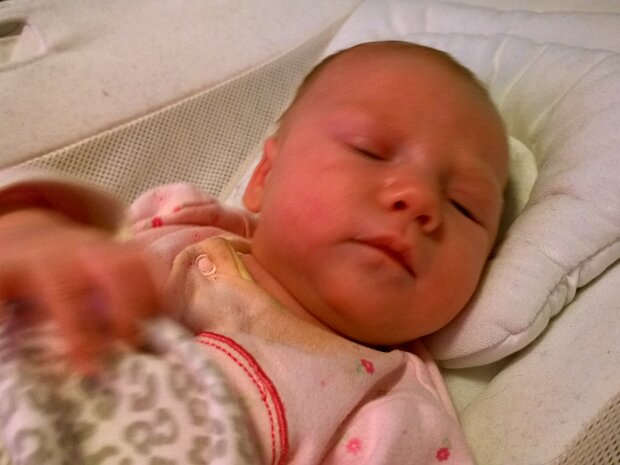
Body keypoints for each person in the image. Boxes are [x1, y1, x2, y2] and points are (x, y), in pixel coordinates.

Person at [0, 41, 508, 464]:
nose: (419, 199)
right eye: (369, 150)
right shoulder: (175, 223)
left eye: (465, 205)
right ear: (263, 176)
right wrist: (28, 228)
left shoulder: (396, 418)